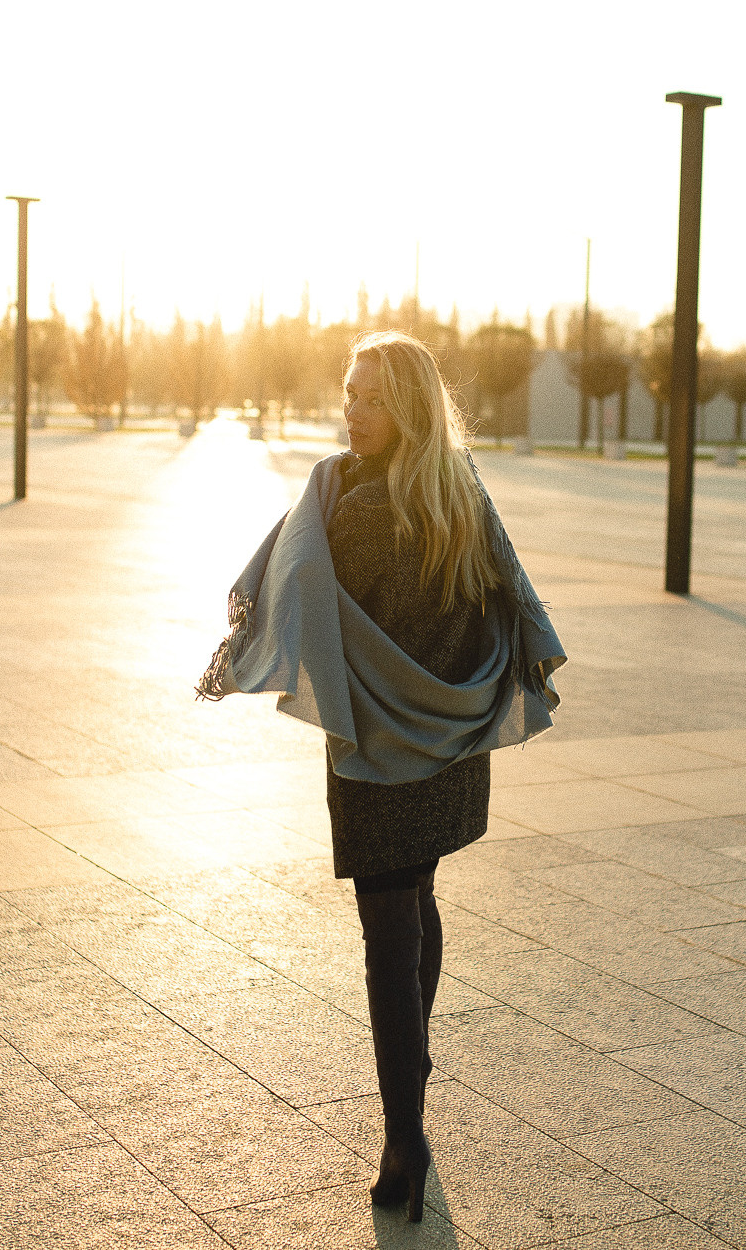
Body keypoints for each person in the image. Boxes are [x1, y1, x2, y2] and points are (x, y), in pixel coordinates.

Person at [198, 330, 564, 1221]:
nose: (349, 411)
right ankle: (415, 1074)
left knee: (383, 935)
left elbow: (291, 598)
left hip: (375, 749)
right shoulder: (462, 496)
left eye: (367, 397)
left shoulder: (350, 513)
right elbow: (506, 599)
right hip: (448, 743)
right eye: (347, 393)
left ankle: (405, 1130)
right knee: (416, 901)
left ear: (403, 409)